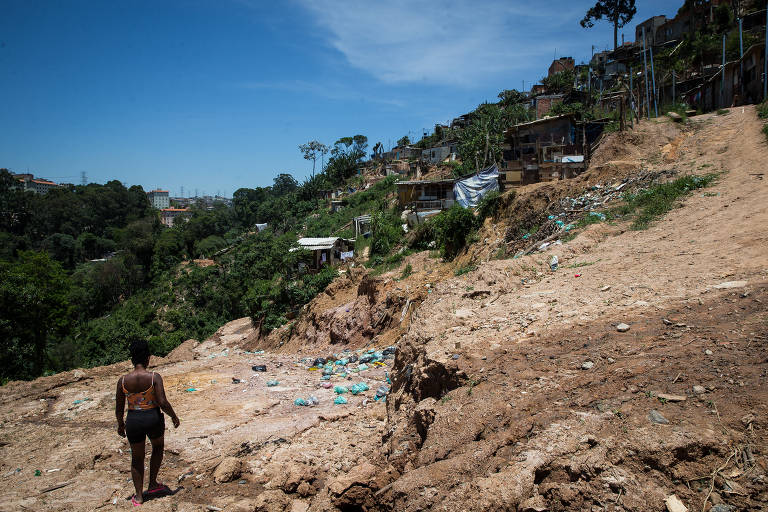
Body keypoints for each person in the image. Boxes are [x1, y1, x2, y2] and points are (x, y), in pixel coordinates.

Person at [115, 339, 180, 506]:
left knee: (137, 458)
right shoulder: (153, 378)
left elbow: (119, 408)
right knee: (157, 447)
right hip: (152, 418)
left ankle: (138, 496)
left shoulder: (123, 381)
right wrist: (173, 416)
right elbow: (162, 402)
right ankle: (152, 483)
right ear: (148, 358)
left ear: (132, 358)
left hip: (133, 421)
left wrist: (120, 425)